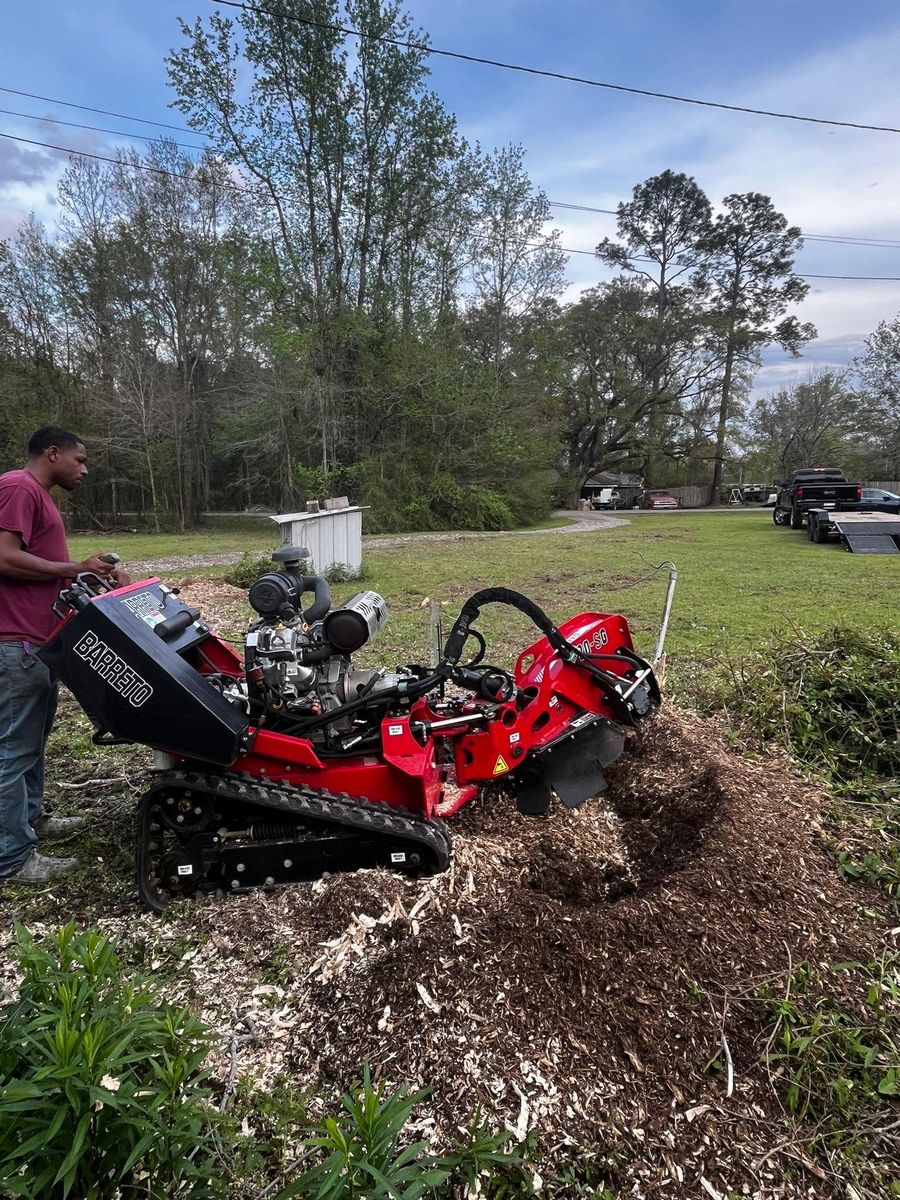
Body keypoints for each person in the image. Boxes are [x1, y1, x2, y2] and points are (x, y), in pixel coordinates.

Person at [0, 426, 129, 885]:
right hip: (16, 642)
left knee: (31, 742)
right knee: (12, 751)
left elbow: (42, 571)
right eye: (79, 459)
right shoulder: (18, 487)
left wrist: (87, 576)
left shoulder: (38, 496)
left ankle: (30, 821)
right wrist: (74, 567)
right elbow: (4, 557)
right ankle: (12, 858)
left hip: (39, 641)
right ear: (52, 453)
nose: (85, 469)